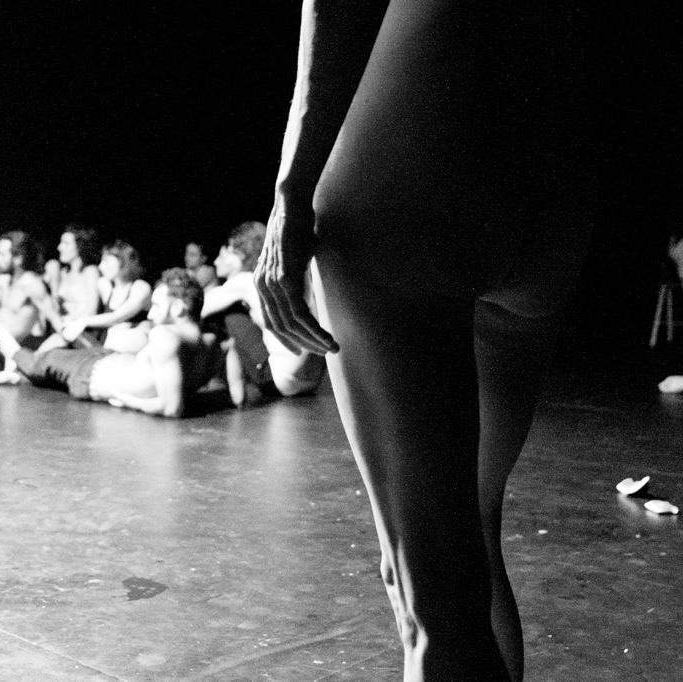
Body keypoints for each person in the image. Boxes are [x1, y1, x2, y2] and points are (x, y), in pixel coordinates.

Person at [253, 2, 594, 681]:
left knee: (433, 602)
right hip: (554, 160)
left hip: (418, 145)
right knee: (475, 537)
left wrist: (291, 191)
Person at [0, 268, 218, 418]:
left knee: (42, 361)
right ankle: (17, 372)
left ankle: (7, 344)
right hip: (106, 358)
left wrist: (126, 400)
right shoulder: (213, 343)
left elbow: (171, 408)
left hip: (88, 372)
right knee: (59, 352)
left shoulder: (164, 336)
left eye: (157, 306)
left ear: (178, 307)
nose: (150, 315)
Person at [202, 221, 324, 406]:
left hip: (280, 381)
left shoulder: (245, 280)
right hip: (311, 382)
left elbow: (201, 307)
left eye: (229, 252)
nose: (219, 260)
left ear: (240, 254)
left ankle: (231, 390)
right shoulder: (283, 276)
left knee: (231, 314)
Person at [51, 239, 153, 353]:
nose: (101, 267)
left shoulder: (141, 287)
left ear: (122, 261)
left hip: (130, 353)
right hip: (105, 347)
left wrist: (82, 321)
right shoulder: (105, 286)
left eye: (106, 261)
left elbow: (116, 317)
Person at [0, 231, 62, 347]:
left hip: (4, 348)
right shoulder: (4, 280)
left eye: (1, 254)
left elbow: (55, 319)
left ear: (18, 258)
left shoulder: (31, 283)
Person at [43, 224, 102, 326]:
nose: (59, 247)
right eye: (61, 243)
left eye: (66, 243)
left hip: (82, 327)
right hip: (62, 325)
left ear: (80, 246)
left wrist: (70, 322)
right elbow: (54, 307)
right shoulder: (63, 273)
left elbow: (92, 311)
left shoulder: (90, 271)